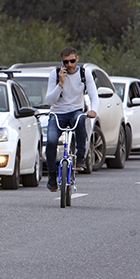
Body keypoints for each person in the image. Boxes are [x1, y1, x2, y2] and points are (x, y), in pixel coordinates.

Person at [45, 47, 99, 191]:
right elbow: (50, 101)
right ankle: (51, 174)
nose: (69, 65)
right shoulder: (55, 75)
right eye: (66, 61)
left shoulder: (84, 73)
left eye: (72, 61)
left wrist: (94, 110)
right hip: (57, 113)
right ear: (62, 61)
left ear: (77, 59)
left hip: (75, 111)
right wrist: (60, 84)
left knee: (81, 120)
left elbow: (94, 95)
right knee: (51, 140)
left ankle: (81, 155)